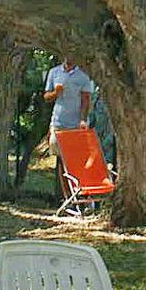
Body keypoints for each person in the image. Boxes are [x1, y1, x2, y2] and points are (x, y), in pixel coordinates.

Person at [42, 56, 96, 198]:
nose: (69, 57)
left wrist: (83, 120)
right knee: (61, 159)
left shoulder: (83, 75)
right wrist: (55, 93)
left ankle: (83, 195)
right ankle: (67, 198)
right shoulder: (54, 72)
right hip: (58, 122)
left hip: (76, 124)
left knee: (78, 160)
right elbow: (47, 97)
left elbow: (86, 99)